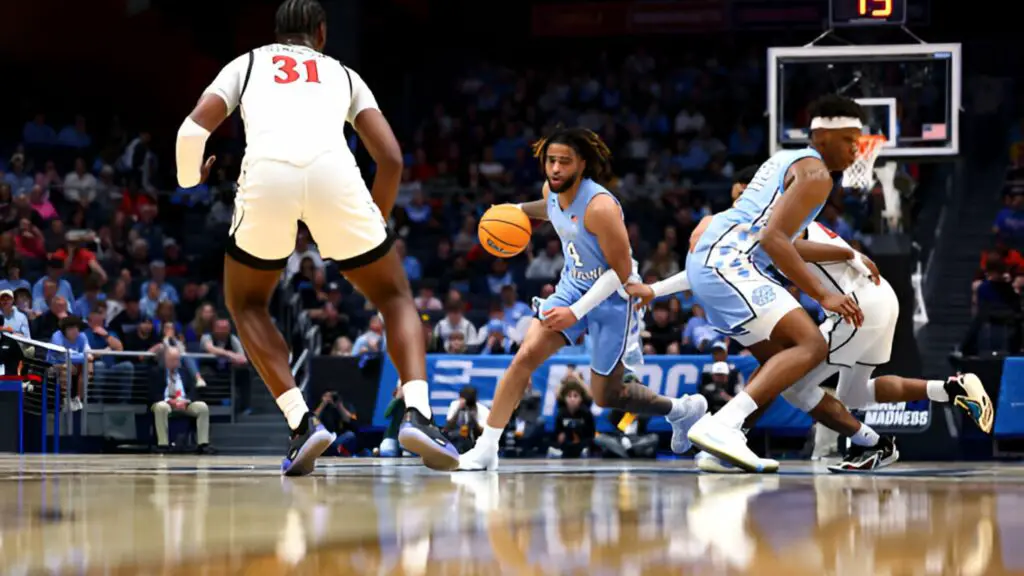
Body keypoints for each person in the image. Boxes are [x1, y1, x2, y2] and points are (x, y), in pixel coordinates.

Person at [175, 0, 456, 476]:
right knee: (393, 295)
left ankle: (302, 423)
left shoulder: (247, 63)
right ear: (321, 34)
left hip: (267, 179)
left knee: (246, 304)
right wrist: (372, 225)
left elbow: (190, 131)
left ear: (277, 34)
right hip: (335, 178)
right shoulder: (344, 74)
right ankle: (419, 415)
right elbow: (390, 159)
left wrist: (189, 180)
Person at [633, 95, 870, 472]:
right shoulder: (817, 175)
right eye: (848, 139)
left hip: (714, 263)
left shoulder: (789, 159)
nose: (856, 150)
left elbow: (780, 238)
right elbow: (774, 242)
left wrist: (847, 254)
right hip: (730, 263)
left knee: (778, 363)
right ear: (822, 135)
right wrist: (825, 294)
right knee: (809, 345)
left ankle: (717, 447)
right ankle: (723, 426)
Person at [457, 127, 707, 471]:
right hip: (573, 284)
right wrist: (513, 211)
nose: (556, 169)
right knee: (524, 357)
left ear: (582, 164)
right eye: (551, 161)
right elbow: (549, 208)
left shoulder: (600, 207)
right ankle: (487, 447)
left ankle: (681, 410)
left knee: (607, 396)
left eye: (564, 162)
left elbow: (619, 272)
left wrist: (576, 312)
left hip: (613, 297)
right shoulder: (551, 190)